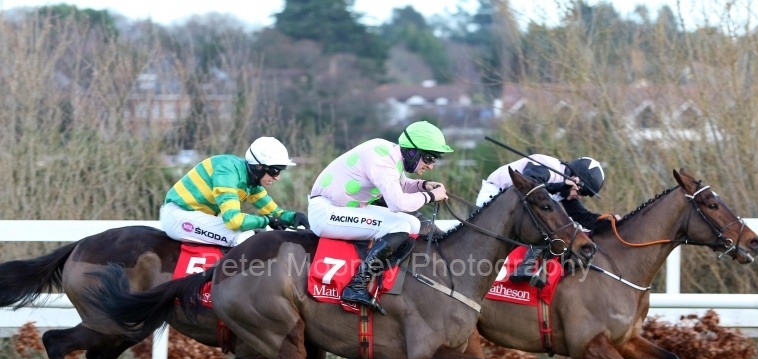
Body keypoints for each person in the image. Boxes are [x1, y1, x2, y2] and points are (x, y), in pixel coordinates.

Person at [308, 120, 452, 313]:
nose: (431, 165)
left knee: (412, 223)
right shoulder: (382, 159)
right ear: (412, 152)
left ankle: (381, 276)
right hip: (326, 213)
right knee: (400, 226)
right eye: (429, 158)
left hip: (345, 210)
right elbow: (398, 203)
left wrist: (423, 185)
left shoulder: (390, 155)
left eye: (435, 159)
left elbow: (399, 185)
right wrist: (430, 196)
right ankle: (356, 285)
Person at [476, 154, 607, 284]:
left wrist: (610, 221)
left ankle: (527, 269)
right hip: (495, 193)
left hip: (515, 209)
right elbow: (529, 185)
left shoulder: (566, 190)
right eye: (581, 192)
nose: (580, 197)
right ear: (575, 179)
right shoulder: (548, 166)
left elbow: (581, 216)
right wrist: (563, 185)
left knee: (553, 231)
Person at [160, 136, 309, 247]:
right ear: (258, 167)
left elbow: (274, 212)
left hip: (196, 216)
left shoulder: (252, 182)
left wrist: (294, 216)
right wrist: (266, 221)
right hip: (178, 217)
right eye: (275, 171)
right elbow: (233, 221)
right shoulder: (227, 172)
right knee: (244, 236)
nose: (277, 178)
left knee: (257, 235)